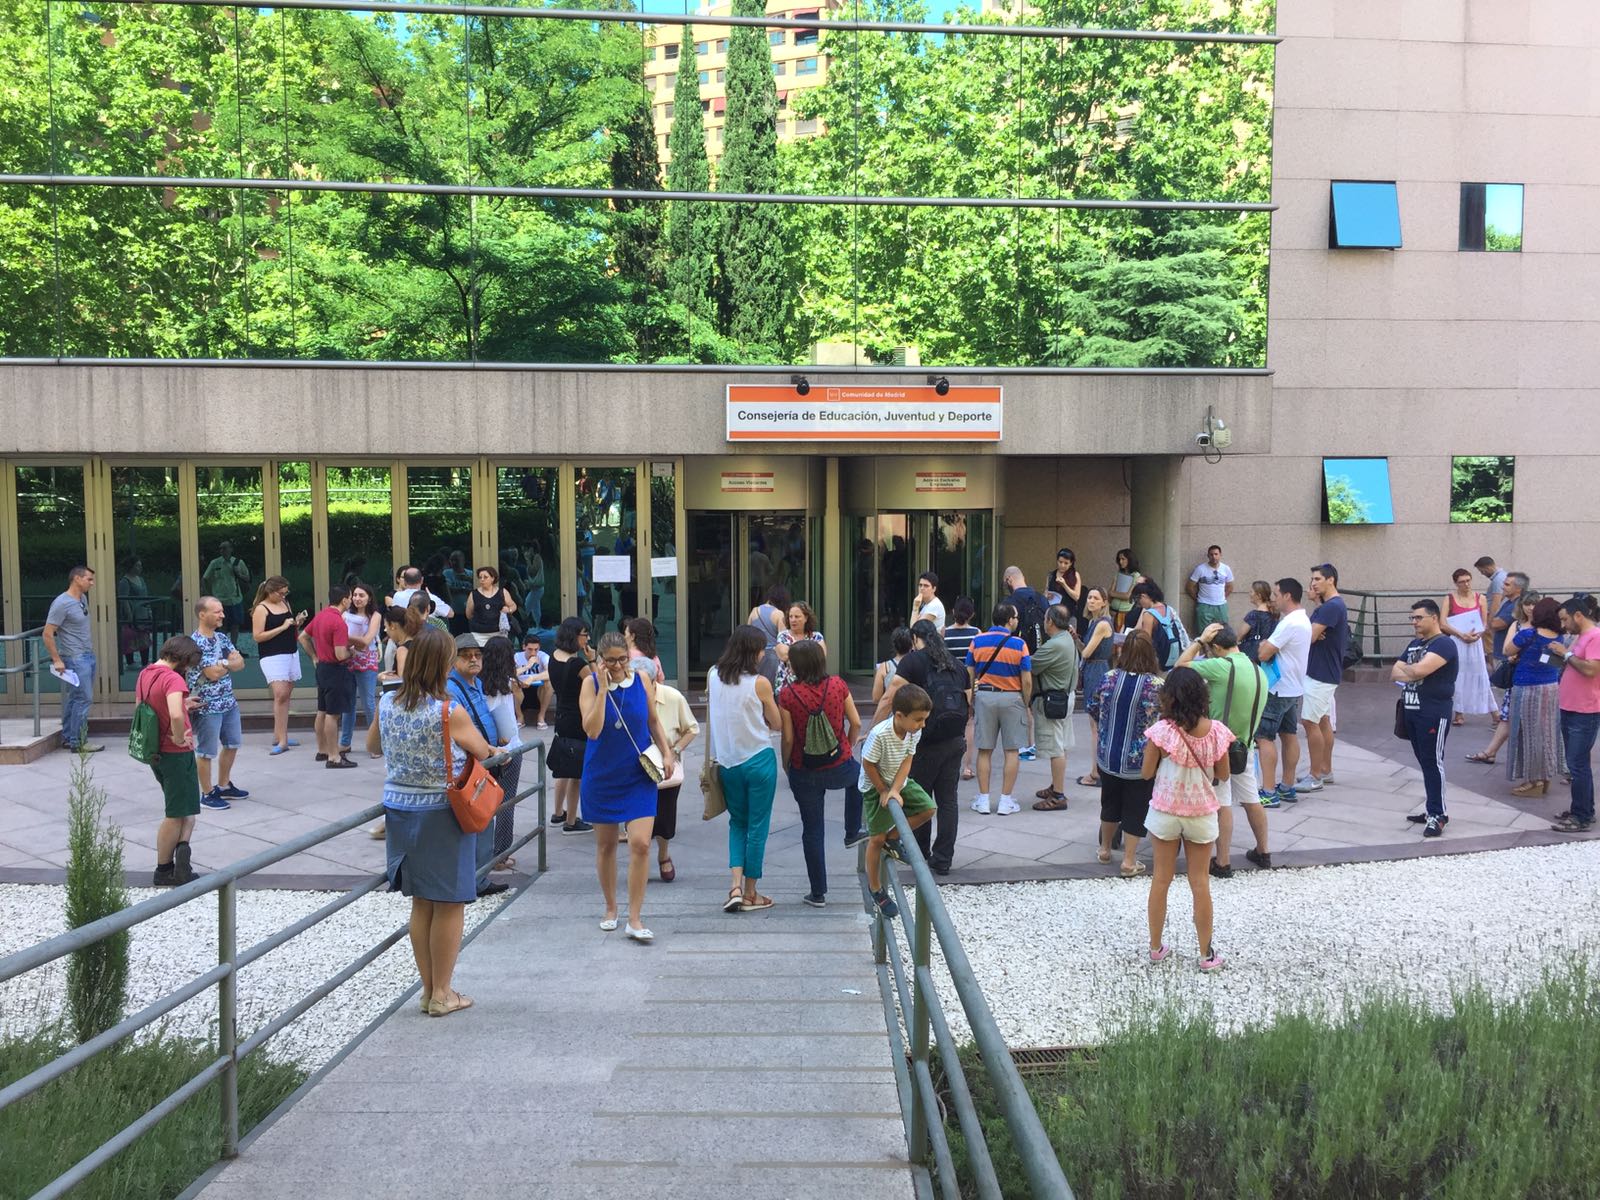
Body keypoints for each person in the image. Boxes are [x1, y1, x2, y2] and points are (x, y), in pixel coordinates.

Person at [368, 625, 497, 1017]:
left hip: (399, 810)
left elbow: (373, 747)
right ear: (442, 664)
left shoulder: (387, 702)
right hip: (443, 812)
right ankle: (443, 993)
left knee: (421, 902)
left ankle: (428, 990)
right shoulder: (447, 710)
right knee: (450, 902)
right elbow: (482, 748)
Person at [579, 632, 675, 941]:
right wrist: (604, 690)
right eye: (612, 660)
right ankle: (611, 907)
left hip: (637, 774)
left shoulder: (642, 681)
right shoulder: (590, 684)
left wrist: (667, 751)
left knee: (641, 843)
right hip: (602, 775)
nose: (619, 666)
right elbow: (592, 731)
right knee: (606, 845)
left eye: (623, 659)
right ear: (600, 660)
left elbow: (652, 721)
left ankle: (635, 917)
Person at [1141, 665, 1233, 970]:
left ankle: (1156, 947)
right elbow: (1223, 774)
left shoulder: (1161, 731)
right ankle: (1206, 954)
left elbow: (1145, 773)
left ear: (1170, 697)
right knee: (1200, 882)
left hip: (1166, 809)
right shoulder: (1217, 731)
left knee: (1161, 879)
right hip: (1201, 812)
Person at [1176, 624, 1272, 873]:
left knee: (1223, 803)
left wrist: (1199, 639)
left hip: (1220, 748)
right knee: (1252, 799)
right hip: (1246, 746)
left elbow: (1179, 668)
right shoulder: (1257, 670)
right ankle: (1263, 851)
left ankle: (1223, 861)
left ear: (1217, 647)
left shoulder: (1221, 666)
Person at [779, 638, 864, 906]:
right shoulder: (838, 685)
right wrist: (847, 747)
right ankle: (853, 830)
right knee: (860, 777)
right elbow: (857, 721)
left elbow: (789, 738)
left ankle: (818, 893)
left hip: (804, 769)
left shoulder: (787, 694)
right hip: (839, 763)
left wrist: (786, 763)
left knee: (812, 830)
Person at [879, 620, 968, 875]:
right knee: (948, 799)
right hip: (954, 739)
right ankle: (943, 859)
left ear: (915, 638)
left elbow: (889, 697)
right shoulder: (956, 663)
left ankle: (919, 854)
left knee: (919, 798)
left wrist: (873, 728)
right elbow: (967, 703)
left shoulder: (913, 661)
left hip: (925, 741)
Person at [708, 625, 782, 913]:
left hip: (728, 762)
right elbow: (775, 722)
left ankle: (735, 885)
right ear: (753, 652)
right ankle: (752, 893)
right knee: (757, 827)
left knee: (737, 823)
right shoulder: (760, 683)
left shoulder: (714, 675)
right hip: (758, 759)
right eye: (762, 648)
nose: (764, 653)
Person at [1086, 631, 1163, 876]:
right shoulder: (1156, 686)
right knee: (1136, 808)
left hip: (1108, 756)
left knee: (1109, 802)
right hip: (1141, 761)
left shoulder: (1108, 678)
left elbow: (1093, 707)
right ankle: (1129, 861)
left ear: (1123, 652)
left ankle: (1104, 849)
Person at [860, 684, 937, 919]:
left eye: (925, 719)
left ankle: (893, 838)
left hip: (898, 780)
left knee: (928, 808)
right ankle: (876, 889)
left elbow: (907, 760)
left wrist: (896, 789)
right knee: (875, 838)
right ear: (900, 716)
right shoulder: (880, 734)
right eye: (919, 719)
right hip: (875, 786)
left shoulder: (913, 731)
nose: (923, 724)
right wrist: (884, 790)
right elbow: (868, 764)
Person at [1390, 600, 1460, 839]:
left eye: (1419, 618)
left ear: (1434, 618)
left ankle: (1438, 814)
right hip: (1411, 711)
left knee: (1433, 763)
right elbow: (1394, 673)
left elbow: (1418, 671)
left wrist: (1412, 669)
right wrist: (1414, 668)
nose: (1414, 622)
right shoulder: (1414, 644)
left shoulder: (1444, 644)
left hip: (1433, 713)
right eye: (1412, 618)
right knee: (1425, 763)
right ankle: (1432, 808)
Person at [139, 635, 205, 886]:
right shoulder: (173, 678)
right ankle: (165, 869)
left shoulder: (147, 673)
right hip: (175, 753)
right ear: (182, 659)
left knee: (186, 808)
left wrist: (182, 704)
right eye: (188, 664)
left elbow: (145, 708)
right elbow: (175, 715)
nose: (188, 669)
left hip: (156, 751)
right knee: (176, 813)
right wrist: (178, 737)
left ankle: (182, 859)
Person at [965, 603, 1032, 817]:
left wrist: (971, 699)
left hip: (985, 696)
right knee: (1011, 751)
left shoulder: (977, 641)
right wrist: (1025, 701)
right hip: (1012, 697)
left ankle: (983, 800)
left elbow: (969, 674)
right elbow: (1027, 680)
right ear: (1010, 620)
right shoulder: (1019, 644)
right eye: (1016, 617)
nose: (1017, 620)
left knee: (984, 750)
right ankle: (1005, 801)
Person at [1254, 578, 1311, 807]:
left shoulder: (1289, 623)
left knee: (1264, 737)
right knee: (1289, 735)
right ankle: (1287, 787)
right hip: (1294, 688)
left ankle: (1268, 791)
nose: (1274, 599)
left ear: (1287, 596)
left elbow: (1264, 653)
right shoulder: (1303, 620)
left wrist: (1265, 644)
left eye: (1277, 594)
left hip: (1276, 689)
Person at [188, 596, 249, 812]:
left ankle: (224, 785)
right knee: (206, 752)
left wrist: (225, 663)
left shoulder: (222, 638)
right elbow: (212, 674)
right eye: (217, 612)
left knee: (232, 744)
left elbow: (240, 663)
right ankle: (207, 793)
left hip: (228, 702)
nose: (222, 615)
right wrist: (227, 662)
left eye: (222, 611)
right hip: (207, 706)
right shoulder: (194, 644)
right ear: (202, 614)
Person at [1467, 591, 1540, 767]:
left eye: (1534, 604)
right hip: (1517, 678)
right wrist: (1513, 657)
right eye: (1527, 604)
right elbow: (1507, 650)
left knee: (1537, 722)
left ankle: (1547, 764)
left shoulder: (1545, 627)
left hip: (1539, 681)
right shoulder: (1517, 625)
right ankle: (1490, 752)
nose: (1530, 608)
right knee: (1506, 716)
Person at [1504, 597, 1567, 799]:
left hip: (1527, 689)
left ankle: (1534, 781)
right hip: (1551, 688)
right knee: (1547, 732)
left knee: (1528, 735)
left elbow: (1507, 650)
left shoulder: (1528, 634)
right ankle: (1545, 776)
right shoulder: (1559, 637)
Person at [1548, 596, 1600, 833]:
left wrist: (1566, 655)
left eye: (1565, 619)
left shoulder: (1595, 637)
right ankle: (1583, 809)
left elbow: (1590, 669)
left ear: (1578, 615)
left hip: (1585, 710)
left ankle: (1581, 816)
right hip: (1571, 707)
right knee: (1578, 764)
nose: (1563, 625)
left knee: (1577, 765)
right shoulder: (1581, 637)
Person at [1299, 563, 1349, 793]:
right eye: (1313, 579)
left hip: (1320, 673)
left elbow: (1307, 637)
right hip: (1325, 671)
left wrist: (1309, 633)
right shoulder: (1331, 606)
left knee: (1310, 722)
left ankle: (1315, 775)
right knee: (1322, 721)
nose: (1313, 583)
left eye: (1318, 578)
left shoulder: (1331, 607)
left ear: (1331, 580)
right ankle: (1325, 770)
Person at [44, 565, 102, 753]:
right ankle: (78, 742)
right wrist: (57, 659)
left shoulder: (82, 599)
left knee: (76, 699)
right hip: (75, 658)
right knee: (83, 699)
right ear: (77, 579)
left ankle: (69, 737)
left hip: (87, 655)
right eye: (89, 579)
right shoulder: (62, 603)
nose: (92, 583)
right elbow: (48, 633)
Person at [479, 636, 524, 873]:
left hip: (484, 748)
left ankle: (482, 849)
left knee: (483, 801)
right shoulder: (508, 683)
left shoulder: (478, 684)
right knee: (507, 802)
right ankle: (501, 853)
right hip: (510, 747)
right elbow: (516, 709)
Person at [546, 618, 595, 833]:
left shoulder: (553, 658)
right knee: (577, 773)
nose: (587, 638)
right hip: (578, 718)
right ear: (575, 636)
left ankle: (558, 812)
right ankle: (572, 821)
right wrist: (592, 660)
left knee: (564, 767)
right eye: (585, 634)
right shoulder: (577, 664)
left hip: (561, 717)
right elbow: (597, 683)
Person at [299, 587, 356, 769]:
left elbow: (303, 637)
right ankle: (334, 757)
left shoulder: (321, 616)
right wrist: (351, 652)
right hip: (336, 670)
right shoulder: (339, 622)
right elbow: (340, 654)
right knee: (333, 714)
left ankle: (322, 750)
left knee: (322, 710)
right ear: (344, 600)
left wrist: (315, 657)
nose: (351, 601)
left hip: (322, 668)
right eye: (349, 597)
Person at [1029, 606, 1080, 810]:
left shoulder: (1054, 645)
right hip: (1065, 696)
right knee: (1061, 746)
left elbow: (1030, 666)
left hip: (1053, 699)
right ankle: (1055, 785)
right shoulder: (1068, 639)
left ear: (1050, 621)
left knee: (1056, 748)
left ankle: (1058, 795)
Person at [251, 576, 307, 756]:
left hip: (290, 652)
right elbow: (258, 636)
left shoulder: (285, 603)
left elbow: (290, 628)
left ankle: (280, 734)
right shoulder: (261, 608)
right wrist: (282, 627)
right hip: (272, 655)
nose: (283, 596)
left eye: (286, 592)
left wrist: (296, 623)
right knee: (280, 693)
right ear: (270, 591)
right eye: (281, 593)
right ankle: (282, 740)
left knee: (287, 693)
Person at [651, 679, 699, 881]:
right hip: (635, 765)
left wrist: (675, 750)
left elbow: (692, 728)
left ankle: (663, 853)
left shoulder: (672, 697)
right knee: (636, 815)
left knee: (665, 813)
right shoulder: (628, 697)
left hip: (666, 765)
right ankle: (640, 855)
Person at [1002, 565, 1049, 759]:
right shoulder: (1042, 599)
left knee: (1023, 701)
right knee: (1038, 701)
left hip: (1018, 656)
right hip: (1042, 656)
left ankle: (1025, 744)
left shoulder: (1009, 602)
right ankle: (1038, 743)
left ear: (1009, 580)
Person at [1441, 568, 1494, 725]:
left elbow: (1484, 622)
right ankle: (1459, 712)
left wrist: (1478, 634)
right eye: (1462, 582)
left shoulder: (1480, 598)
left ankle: (1494, 712)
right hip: (1457, 640)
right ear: (1456, 583)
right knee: (1458, 674)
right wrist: (1460, 634)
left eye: (1468, 580)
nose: (1466, 584)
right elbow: (1443, 623)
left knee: (1480, 674)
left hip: (1475, 640)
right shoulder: (1449, 598)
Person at [339, 583, 383, 758]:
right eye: (355, 595)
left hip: (367, 661)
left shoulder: (375, 615)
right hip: (348, 660)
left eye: (361, 595)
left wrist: (347, 639)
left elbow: (367, 640)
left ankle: (375, 744)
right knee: (347, 704)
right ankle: (345, 742)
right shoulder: (345, 614)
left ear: (369, 598)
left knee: (368, 702)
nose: (357, 598)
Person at [1077, 588, 1115, 788]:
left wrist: (1080, 644)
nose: (1091, 601)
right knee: (1096, 725)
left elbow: (1086, 652)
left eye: (1095, 598)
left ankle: (1096, 771)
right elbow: (1085, 650)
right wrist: (1076, 639)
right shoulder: (1094, 623)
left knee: (1096, 726)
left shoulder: (1101, 624)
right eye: (1089, 597)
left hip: (1097, 670)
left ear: (1104, 602)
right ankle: (1097, 769)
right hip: (1095, 668)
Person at [943, 597, 982, 781]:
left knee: (948, 722)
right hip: (969, 682)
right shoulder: (977, 633)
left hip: (949, 682)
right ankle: (967, 767)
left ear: (953, 612)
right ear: (972, 614)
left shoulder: (944, 633)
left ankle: (948, 765)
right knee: (969, 722)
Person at [1132, 580, 1188, 671]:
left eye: (1138, 600)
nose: (1139, 604)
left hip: (1158, 657)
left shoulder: (1148, 615)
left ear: (1143, 596)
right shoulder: (1169, 609)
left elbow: (1146, 640)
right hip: (1176, 654)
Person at [201, 541, 251, 636]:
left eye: (224, 548)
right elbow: (204, 578)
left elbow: (247, 578)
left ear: (231, 549)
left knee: (235, 624)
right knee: (221, 624)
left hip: (235, 599)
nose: (222, 550)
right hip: (220, 600)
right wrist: (207, 593)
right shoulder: (215, 563)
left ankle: (233, 646)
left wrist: (239, 574)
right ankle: (223, 647)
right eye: (220, 548)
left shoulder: (238, 562)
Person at [774, 601, 825, 695]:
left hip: (811, 687)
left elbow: (821, 658)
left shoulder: (817, 636)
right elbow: (784, 656)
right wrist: (809, 655)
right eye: (790, 616)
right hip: (785, 687)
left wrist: (792, 655)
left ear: (806, 618)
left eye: (797, 617)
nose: (793, 620)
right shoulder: (783, 635)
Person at [746, 584, 791, 685]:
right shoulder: (779, 614)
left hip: (754, 655)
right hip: (772, 657)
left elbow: (747, 634)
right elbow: (783, 640)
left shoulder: (754, 611)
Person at [1186, 545, 1234, 631]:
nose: (1214, 557)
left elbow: (1230, 586)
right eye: (1211, 554)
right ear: (1208, 556)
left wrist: (1222, 597)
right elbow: (1189, 586)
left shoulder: (1226, 569)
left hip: (1221, 606)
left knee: (1223, 632)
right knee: (1203, 633)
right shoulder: (1200, 569)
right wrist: (1198, 599)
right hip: (1204, 605)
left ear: (1220, 555)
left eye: (1216, 554)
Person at [465, 565, 517, 645]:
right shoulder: (473, 594)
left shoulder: (502, 592)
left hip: (499, 633)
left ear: (493, 578)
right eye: (480, 577)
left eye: (485, 577)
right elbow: (469, 614)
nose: (482, 580)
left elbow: (513, 606)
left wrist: (508, 610)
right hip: (479, 634)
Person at [116, 557, 153, 670]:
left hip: (143, 612)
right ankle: (130, 662)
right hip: (133, 612)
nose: (140, 568)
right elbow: (124, 599)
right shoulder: (125, 581)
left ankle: (145, 662)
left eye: (140, 565)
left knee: (144, 637)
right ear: (131, 567)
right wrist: (129, 615)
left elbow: (145, 596)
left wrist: (149, 609)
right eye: (137, 565)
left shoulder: (141, 580)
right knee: (130, 636)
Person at [1489, 570, 1528, 663]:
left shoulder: (1516, 604)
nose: (1503, 587)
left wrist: (1489, 617)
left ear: (1518, 588)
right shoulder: (1509, 602)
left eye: (1507, 585)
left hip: (1507, 658)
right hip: (1503, 655)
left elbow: (1496, 624)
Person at [1044, 550, 1085, 638]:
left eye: (1066, 563)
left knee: (1069, 639)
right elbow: (1046, 591)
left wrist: (1064, 585)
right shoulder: (1051, 575)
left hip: (1069, 615)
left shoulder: (1075, 575)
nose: (1062, 565)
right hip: (1054, 614)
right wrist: (1047, 595)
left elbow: (1076, 597)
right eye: (1060, 562)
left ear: (1071, 563)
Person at [516, 633, 552, 729]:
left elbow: (550, 672)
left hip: (538, 687)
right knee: (512, 682)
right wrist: (527, 666)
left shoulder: (543, 656)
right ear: (524, 647)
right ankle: (520, 717)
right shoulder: (517, 657)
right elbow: (510, 673)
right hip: (521, 687)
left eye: (536, 649)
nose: (533, 653)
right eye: (530, 649)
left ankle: (541, 716)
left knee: (549, 683)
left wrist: (532, 678)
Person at [1236, 580, 1277, 663]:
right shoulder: (1274, 614)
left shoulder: (1253, 615)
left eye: (1251, 591)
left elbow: (1240, 636)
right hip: (1267, 655)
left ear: (1258, 595)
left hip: (1252, 657)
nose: (1249, 594)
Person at [872, 626, 914, 706]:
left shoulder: (885, 667)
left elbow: (876, 698)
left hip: (891, 714)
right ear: (912, 644)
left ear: (893, 644)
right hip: (912, 714)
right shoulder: (917, 664)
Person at [1476, 556, 1508, 643]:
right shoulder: (1503, 576)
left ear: (1488, 568)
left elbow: (1496, 602)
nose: (1482, 574)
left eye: (1482, 571)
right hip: (1501, 615)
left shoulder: (1498, 580)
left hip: (1497, 616)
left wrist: (1489, 622)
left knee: (1491, 647)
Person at [1109, 549, 1143, 632]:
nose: (1121, 562)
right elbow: (1110, 592)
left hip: (1125, 611)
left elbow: (1128, 596)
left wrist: (1115, 594)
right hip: (1113, 610)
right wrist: (1118, 594)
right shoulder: (1118, 573)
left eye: (1123, 559)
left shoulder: (1136, 576)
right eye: (1119, 559)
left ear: (1130, 560)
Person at [624, 616, 666, 681]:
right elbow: (660, 682)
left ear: (632, 636)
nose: (624, 637)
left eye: (625, 634)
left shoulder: (623, 657)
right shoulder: (653, 658)